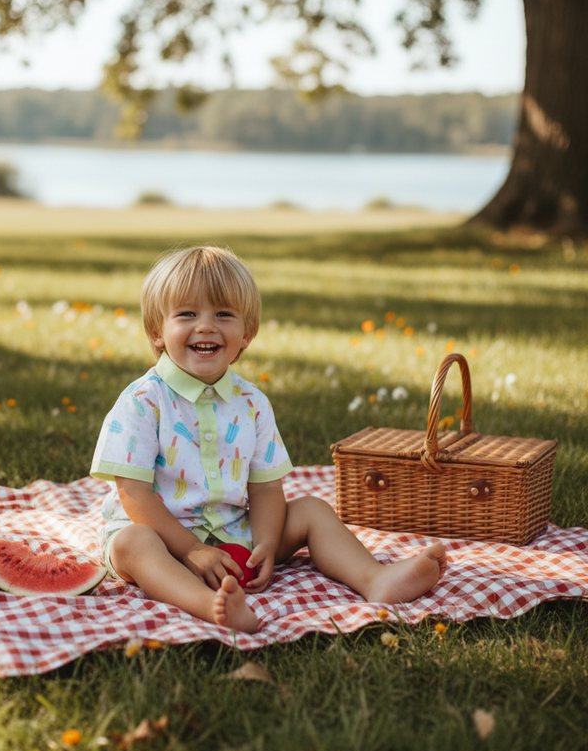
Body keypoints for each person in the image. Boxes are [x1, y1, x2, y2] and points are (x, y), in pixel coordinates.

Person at [91, 246, 446, 634]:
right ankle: (212, 607)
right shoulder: (143, 401)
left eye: (223, 314)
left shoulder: (252, 403)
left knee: (311, 509)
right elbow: (134, 494)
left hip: (232, 530)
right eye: (187, 314)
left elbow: (265, 489)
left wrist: (265, 543)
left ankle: (374, 579)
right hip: (159, 534)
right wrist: (192, 549)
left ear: (247, 333)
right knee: (133, 544)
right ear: (156, 331)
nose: (206, 326)